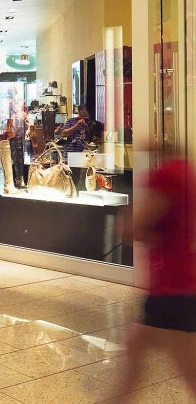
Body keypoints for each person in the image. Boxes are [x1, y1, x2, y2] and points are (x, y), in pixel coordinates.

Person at [114, 148, 196, 402]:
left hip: (174, 288)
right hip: (176, 284)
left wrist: (129, 219)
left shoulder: (168, 175)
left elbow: (135, 228)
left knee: (189, 368)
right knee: (135, 345)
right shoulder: (186, 170)